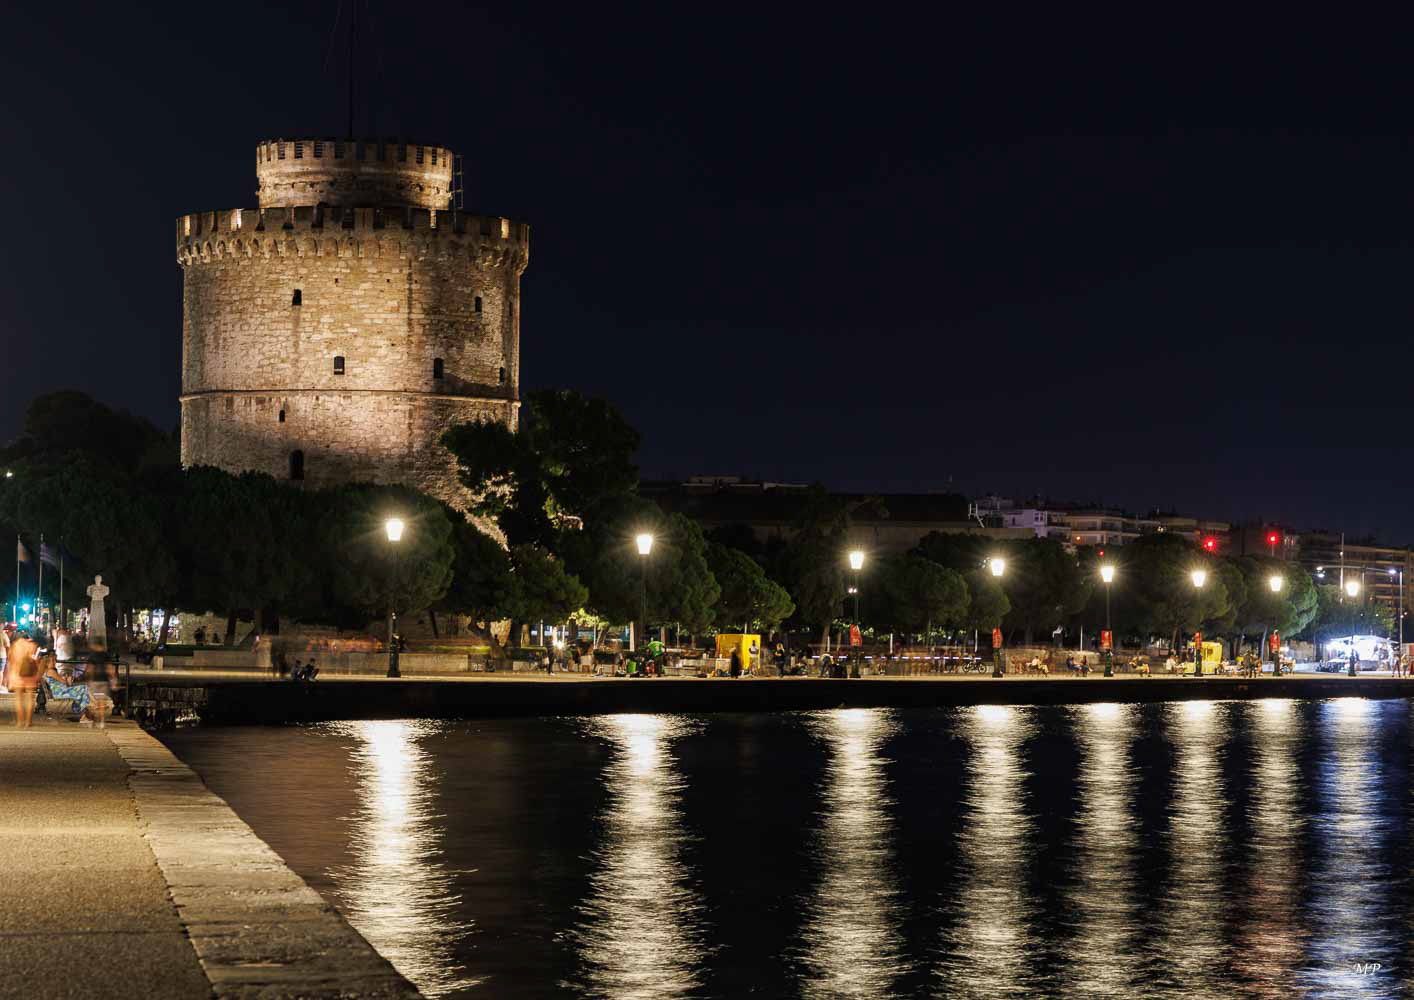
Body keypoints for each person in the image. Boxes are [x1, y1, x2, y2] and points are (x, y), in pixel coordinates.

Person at [8, 630, 40, 728]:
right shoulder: (33, 645)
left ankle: (19, 722)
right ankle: (28, 722)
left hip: (17, 674)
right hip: (30, 675)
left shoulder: (15, 645)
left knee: (18, 699)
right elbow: (36, 660)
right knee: (30, 698)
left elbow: (11, 660)